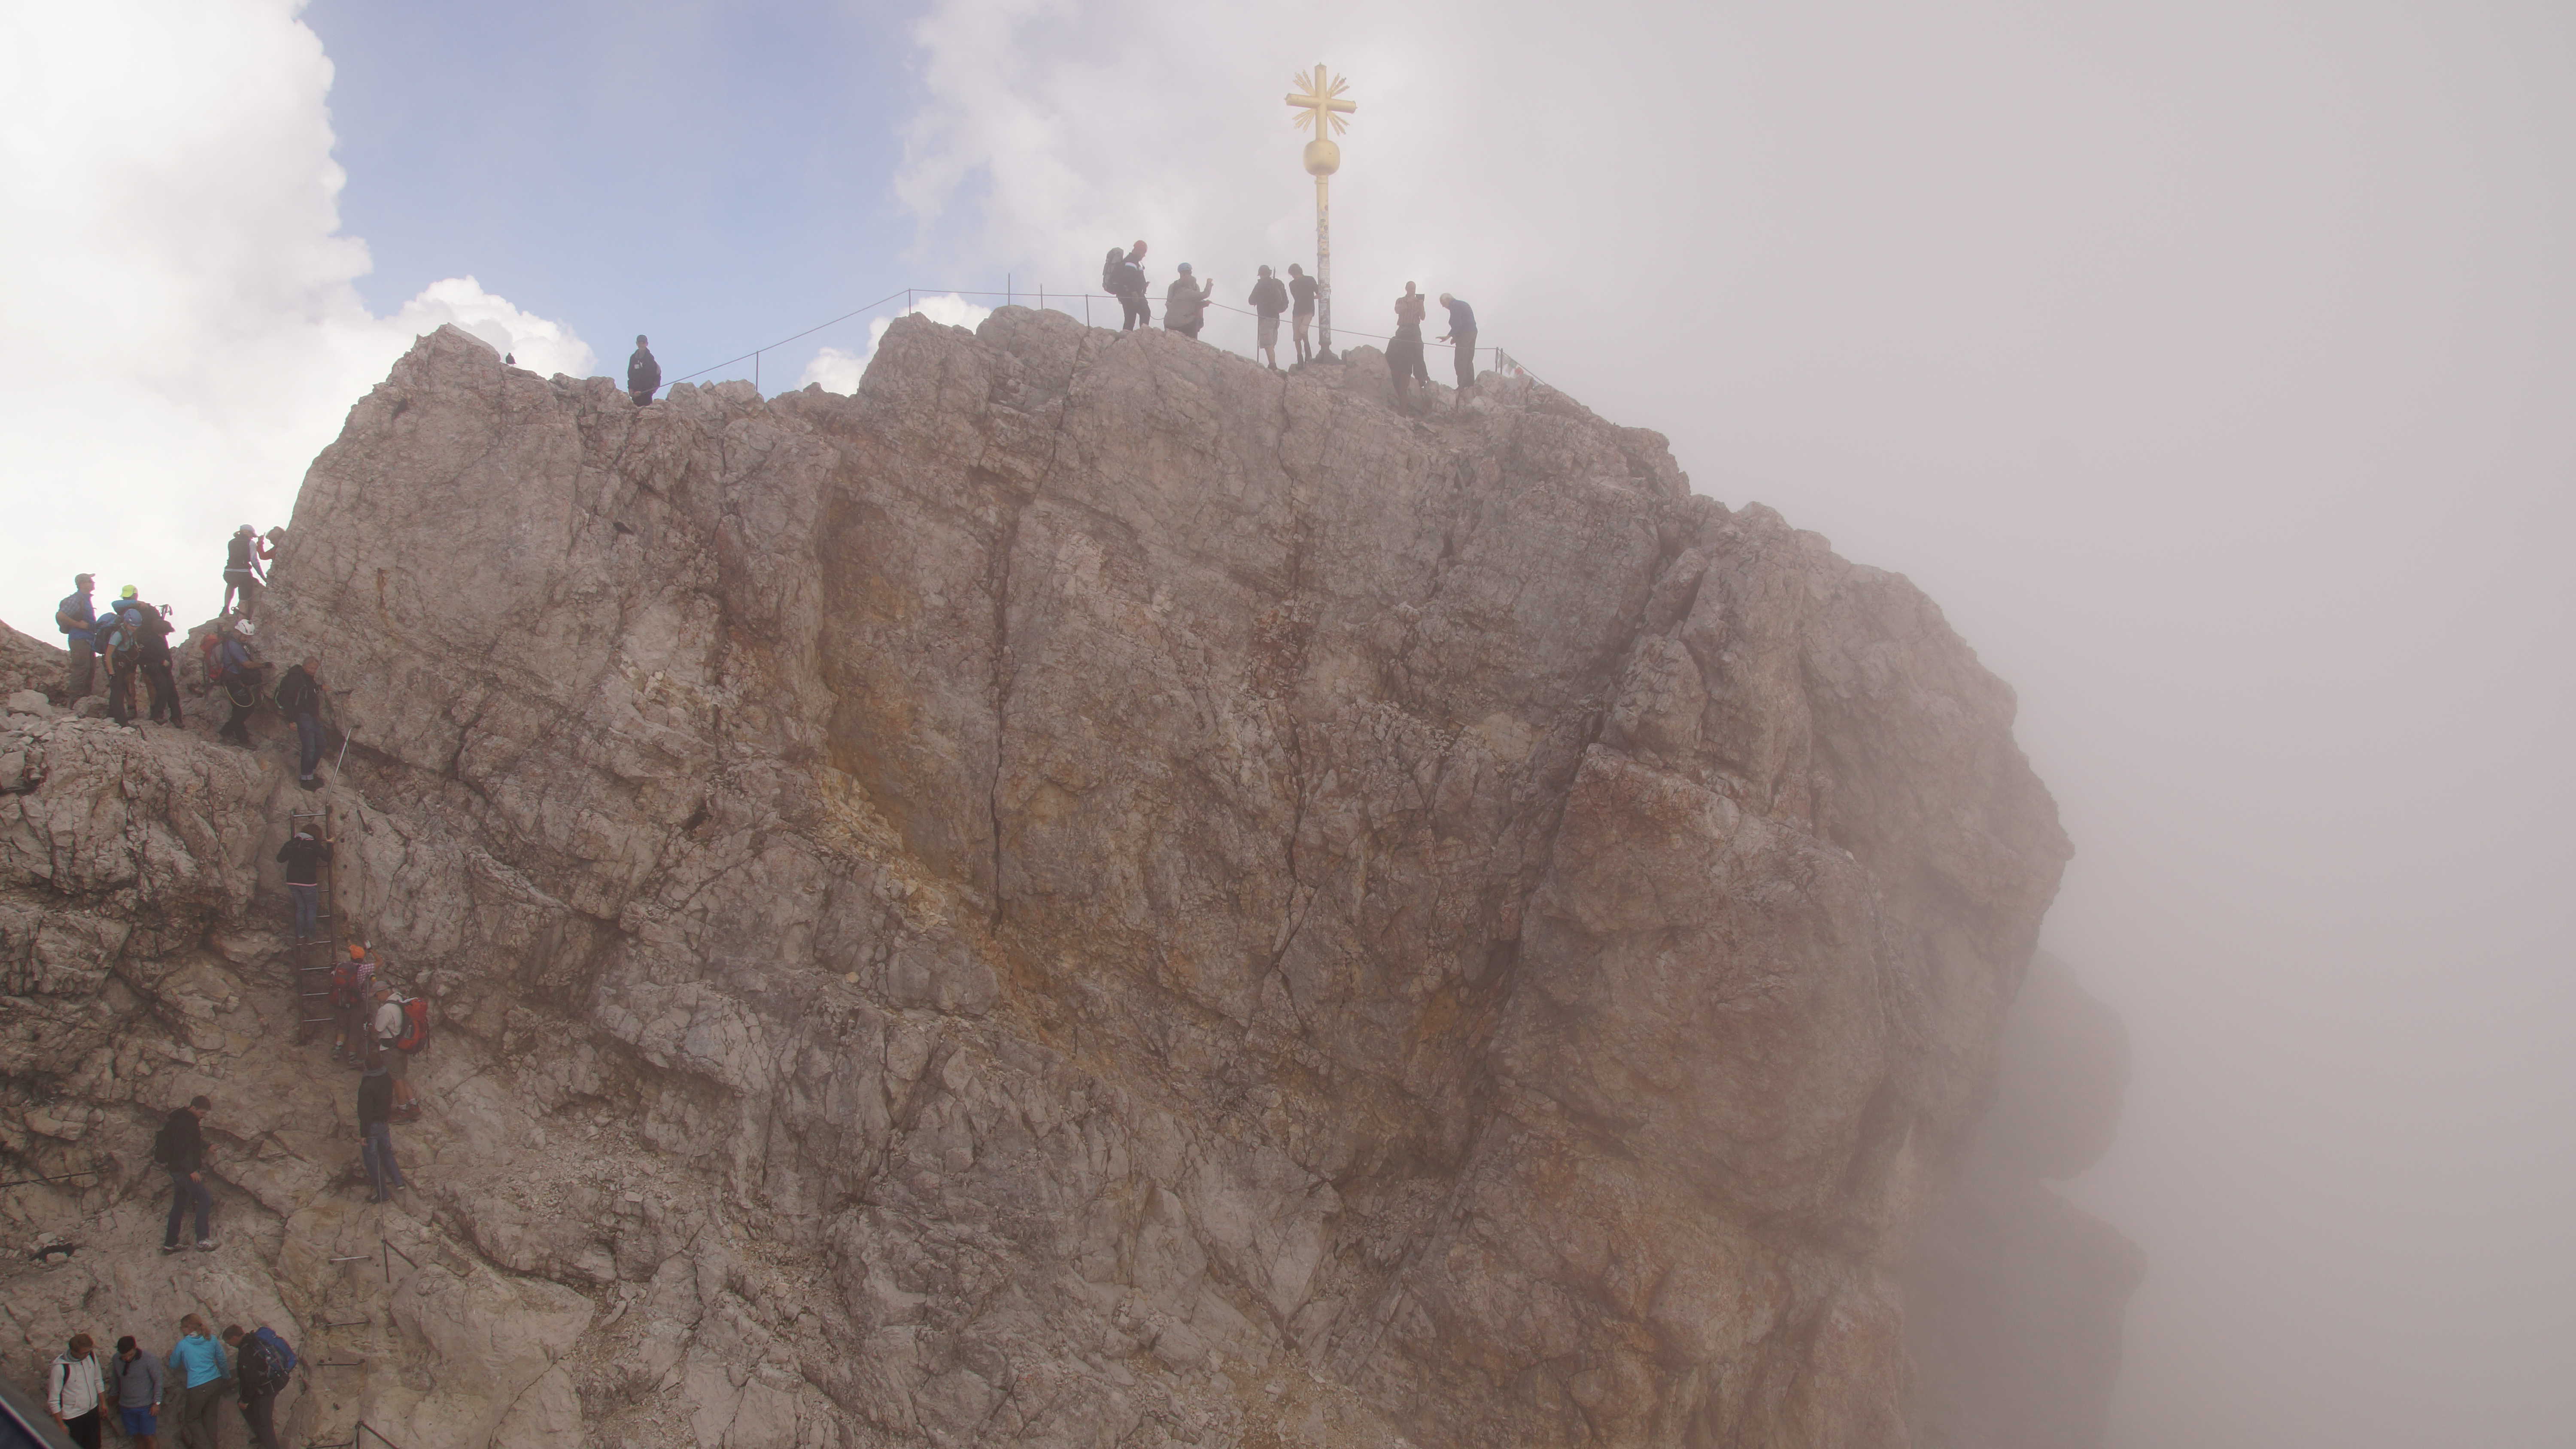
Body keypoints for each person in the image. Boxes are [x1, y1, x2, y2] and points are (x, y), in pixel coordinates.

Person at [156, 1096, 215, 1253]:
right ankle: (202, 1240)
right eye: (202, 1113)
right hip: (183, 1171)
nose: (203, 1116)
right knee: (205, 1199)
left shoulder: (182, 1119)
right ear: (194, 1108)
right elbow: (180, 1149)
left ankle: (170, 1244)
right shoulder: (185, 1123)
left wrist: (207, 1146)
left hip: (177, 1169)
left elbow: (192, 1141)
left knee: (179, 1204)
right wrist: (191, 1171)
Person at [163, 1318, 225, 1449]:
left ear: (188, 1328)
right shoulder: (211, 1339)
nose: (181, 1330)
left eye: (182, 1327)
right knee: (210, 1417)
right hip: (216, 1381)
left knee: (192, 1419)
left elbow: (173, 1364)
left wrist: (172, 1356)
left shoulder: (183, 1345)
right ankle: (213, 1446)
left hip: (198, 1385)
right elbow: (221, 1358)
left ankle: (204, 1446)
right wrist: (226, 1377)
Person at [219, 1326, 285, 1449]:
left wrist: (245, 1400)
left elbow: (250, 1380)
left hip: (266, 1388)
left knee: (264, 1422)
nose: (229, 1345)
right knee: (255, 1412)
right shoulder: (254, 1342)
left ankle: (271, 1445)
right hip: (274, 1382)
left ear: (234, 1338)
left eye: (229, 1342)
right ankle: (262, 1437)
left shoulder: (246, 1351)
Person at [357, 1062, 405, 1201]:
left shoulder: (366, 1087)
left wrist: (363, 1134)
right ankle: (399, 1182)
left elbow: (364, 1112)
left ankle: (383, 1195)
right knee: (387, 1153)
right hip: (384, 1124)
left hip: (371, 1128)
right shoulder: (387, 1078)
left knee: (373, 1162)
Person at [275, 657, 326, 788]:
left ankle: (310, 774)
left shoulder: (308, 678)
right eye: (311, 668)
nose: (313, 671)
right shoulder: (295, 679)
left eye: (315, 669)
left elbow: (308, 691)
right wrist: (292, 720)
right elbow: (288, 700)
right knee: (310, 747)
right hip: (302, 716)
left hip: (312, 716)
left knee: (321, 745)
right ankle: (306, 779)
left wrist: (320, 688)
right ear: (304, 666)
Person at [48, 1334, 106, 1449]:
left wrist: (103, 1402)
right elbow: (54, 1400)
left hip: (92, 1411)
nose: (87, 1355)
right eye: (84, 1353)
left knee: (95, 1446)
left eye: (89, 1352)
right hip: (73, 1417)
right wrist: (61, 1424)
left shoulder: (91, 1357)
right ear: (74, 1351)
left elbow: (98, 1380)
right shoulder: (60, 1368)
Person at [277, 826, 332, 943]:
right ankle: (310, 937)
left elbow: (280, 859)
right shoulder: (313, 845)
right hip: (307, 882)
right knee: (311, 908)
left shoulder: (292, 843)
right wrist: (330, 844)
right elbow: (328, 857)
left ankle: (301, 936)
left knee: (301, 908)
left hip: (292, 881)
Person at [373, 985, 420, 1117]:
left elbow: (378, 1029)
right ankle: (413, 1105)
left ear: (384, 992)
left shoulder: (386, 1009)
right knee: (401, 1076)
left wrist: (369, 1027)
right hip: (402, 1045)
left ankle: (402, 1109)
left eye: (377, 995)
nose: (377, 998)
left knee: (396, 1079)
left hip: (390, 1049)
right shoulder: (401, 1000)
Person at [111, 1335, 164, 1449]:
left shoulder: (149, 1359)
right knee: (137, 1437)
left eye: (130, 1355)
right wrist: (113, 1397)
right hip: (126, 1406)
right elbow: (115, 1379)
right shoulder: (116, 1359)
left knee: (149, 1437)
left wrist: (157, 1403)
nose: (127, 1358)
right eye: (124, 1356)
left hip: (146, 1406)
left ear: (135, 1348)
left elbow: (158, 1381)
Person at [215, 620, 261, 746]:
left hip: (236, 679)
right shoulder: (233, 645)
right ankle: (226, 732)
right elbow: (247, 664)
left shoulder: (237, 643)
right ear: (238, 632)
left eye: (248, 637)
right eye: (245, 636)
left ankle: (242, 738)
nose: (246, 639)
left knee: (240, 709)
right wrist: (263, 666)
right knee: (247, 708)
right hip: (232, 680)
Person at [1387, 283, 1432, 411]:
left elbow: (1423, 317)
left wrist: (1421, 304)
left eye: (1414, 289)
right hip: (1403, 328)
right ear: (1407, 289)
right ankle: (1394, 371)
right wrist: (1409, 303)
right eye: (1411, 288)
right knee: (1398, 351)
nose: (1413, 290)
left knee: (1419, 350)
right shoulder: (1401, 300)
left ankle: (1422, 377)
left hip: (1414, 329)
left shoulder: (1419, 302)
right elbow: (1398, 310)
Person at [331, 943, 377, 1064]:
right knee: (354, 1031)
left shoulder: (341, 966)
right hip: (357, 1004)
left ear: (351, 956)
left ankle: (337, 1050)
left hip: (341, 1002)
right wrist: (371, 950)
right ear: (362, 957)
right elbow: (380, 962)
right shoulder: (363, 969)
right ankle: (352, 1058)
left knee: (342, 1028)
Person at [56, 573, 97, 700]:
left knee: (89, 670)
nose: (93, 583)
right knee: (81, 669)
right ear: (82, 584)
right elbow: (60, 615)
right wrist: (79, 625)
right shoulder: (77, 599)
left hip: (88, 640)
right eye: (90, 581)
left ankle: (84, 702)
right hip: (80, 639)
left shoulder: (84, 599)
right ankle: (75, 702)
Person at [1248, 266, 1289, 370]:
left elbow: (1251, 301)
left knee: (1268, 344)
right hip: (1276, 318)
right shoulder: (1277, 283)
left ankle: (1273, 365)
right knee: (1271, 343)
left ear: (1261, 274)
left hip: (1265, 317)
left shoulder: (1260, 285)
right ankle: (1273, 364)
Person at [1437, 292, 1478, 398]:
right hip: (1473, 332)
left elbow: (1458, 324)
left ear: (1448, 300)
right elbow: (1464, 322)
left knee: (1460, 361)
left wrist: (1448, 336)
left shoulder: (1454, 306)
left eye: (1443, 303)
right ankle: (1470, 385)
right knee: (1468, 359)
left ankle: (1462, 386)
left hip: (1466, 334)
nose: (1443, 306)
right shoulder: (1463, 304)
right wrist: (1456, 338)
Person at [220, 526, 265, 619]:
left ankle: (226, 608)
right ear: (246, 532)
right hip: (243, 574)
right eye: (251, 534)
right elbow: (254, 561)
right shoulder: (251, 543)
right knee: (244, 599)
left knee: (231, 584)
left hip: (229, 572)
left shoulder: (231, 542)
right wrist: (262, 576)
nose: (252, 537)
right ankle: (242, 619)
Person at [1109, 241, 1151, 330]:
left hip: (1128, 294)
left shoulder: (1132, 261)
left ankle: (1127, 336)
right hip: (1131, 295)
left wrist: (1143, 286)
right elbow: (1128, 278)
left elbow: (1131, 278)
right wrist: (1134, 292)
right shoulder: (1131, 261)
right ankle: (1144, 334)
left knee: (1130, 319)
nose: (1144, 255)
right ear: (1138, 250)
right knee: (1144, 313)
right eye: (1144, 252)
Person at [1163, 263, 1211, 340]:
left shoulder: (1176, 287)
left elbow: (1169, 304)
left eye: (1189, 273)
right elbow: (1204, 296)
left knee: (1194, 319)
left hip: (1170, 321)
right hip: (1182, 320)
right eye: (1186, 273)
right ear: (1181, 273)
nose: (1188, 275)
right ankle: (1193, 342)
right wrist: (1209, 283)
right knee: (1194, 322)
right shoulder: (1176, 287)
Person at [1287, 264, 1318, 364]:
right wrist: (1313, 298)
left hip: (1303, 311)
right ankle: (1303, 358)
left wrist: (1312, 297)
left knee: (1301, 333)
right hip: (1304, 311)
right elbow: (1318, 292)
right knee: (1299, 336)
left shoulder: (1293, 284)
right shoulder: (1309, 280)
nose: (1293, 276)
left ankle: (1306, 357)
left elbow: (1298, 297)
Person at [628, 335, 661, 406]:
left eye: (643, 343)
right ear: (637, 344)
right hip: (635, 393)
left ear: (647, 344)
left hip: (647, 393)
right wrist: (631, 388)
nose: (641, 345)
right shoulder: (633, 358)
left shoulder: (650, 358)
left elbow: (649, 376)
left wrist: (642, 391)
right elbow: (631, 375)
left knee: (646, 409)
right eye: (640, 343)